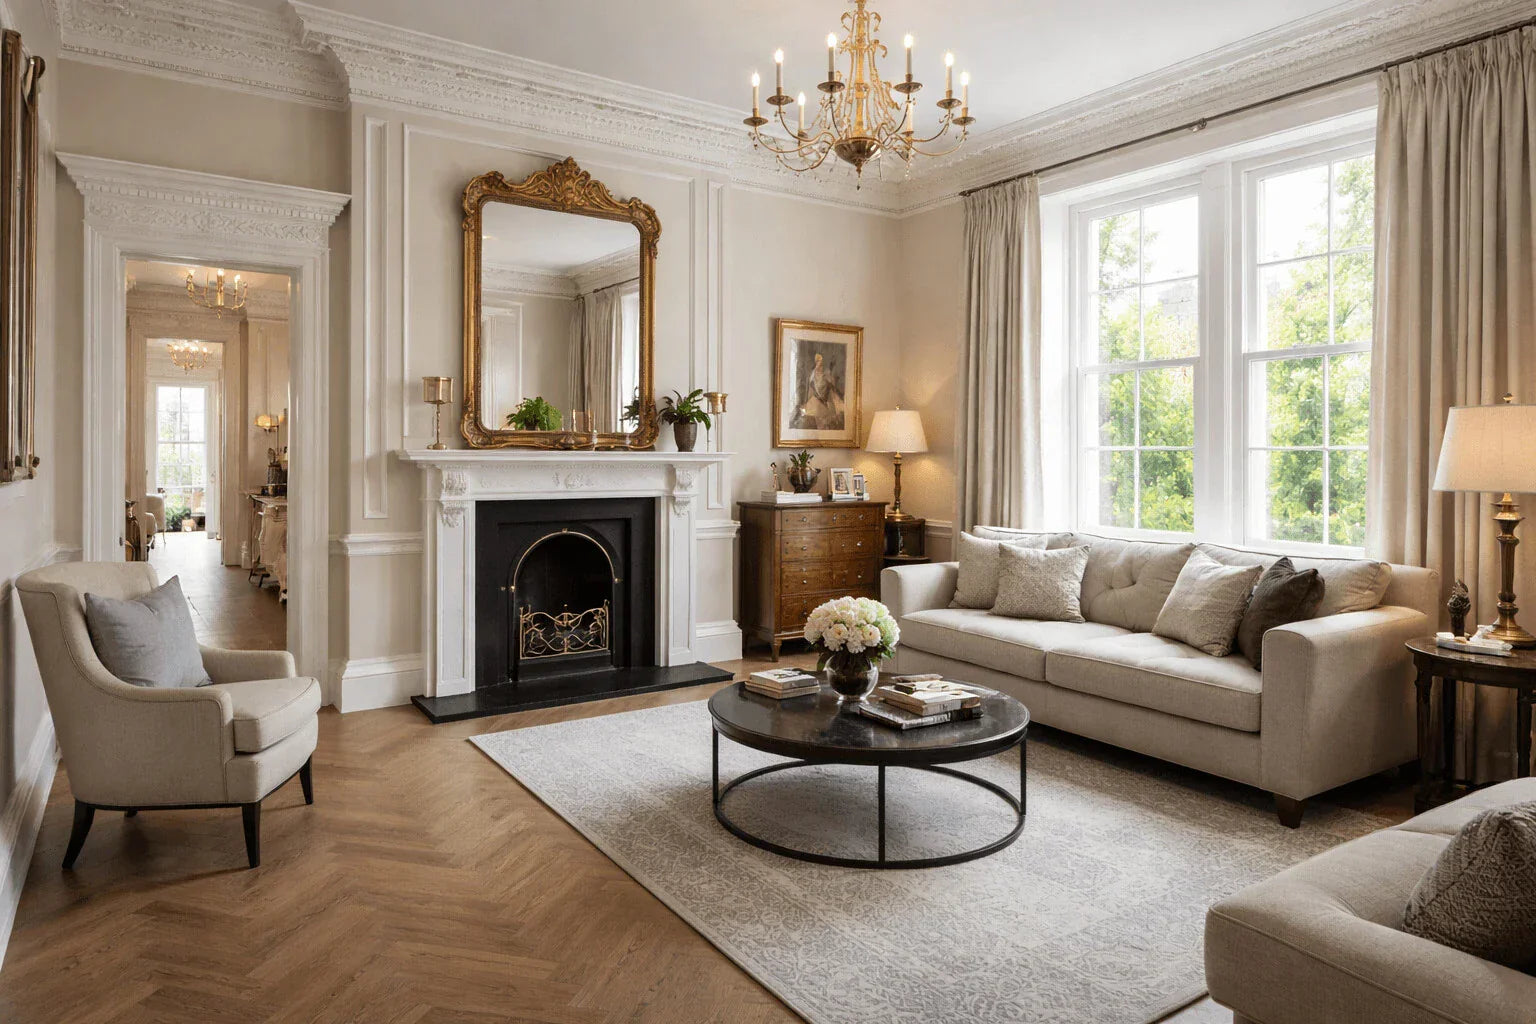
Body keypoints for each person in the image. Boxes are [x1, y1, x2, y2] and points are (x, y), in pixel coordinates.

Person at [797, 351, 844, 429]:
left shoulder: (826, 374)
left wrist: (829, 386)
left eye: (822, 364)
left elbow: (830, 386)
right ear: (816, 363)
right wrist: (819, 396)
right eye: (819, 363)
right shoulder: (813, 375)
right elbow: (812, 388)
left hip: (826, 398)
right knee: (817, 415)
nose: (820, 366)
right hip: (817, 400)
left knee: (830, 415)